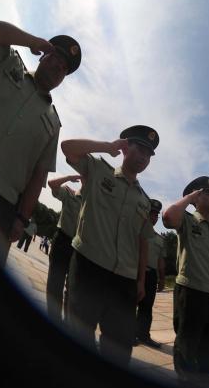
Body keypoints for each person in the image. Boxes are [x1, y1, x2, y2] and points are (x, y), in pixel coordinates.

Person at [0, 18, 81, 262]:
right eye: (55, 57)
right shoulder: (10, 64)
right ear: (42, 55)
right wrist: (31, 41)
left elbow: (38, 175)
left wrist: (22, 218)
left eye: (64, 68)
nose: (58, 67)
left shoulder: (53, 124)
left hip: (0, 205)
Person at [61, 126, 159, 366]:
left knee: (118, 349)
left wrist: (140, 280)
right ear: (126, 148)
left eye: (149, 154)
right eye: (140, 149)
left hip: (124, 282)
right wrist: (107, 146)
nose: (144, 157)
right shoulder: (98, 170)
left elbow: (142, 240)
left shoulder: (144, 201)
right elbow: (67, 148)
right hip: (89, 269)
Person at [162, 177, 209, 387]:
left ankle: (208, 377)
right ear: (195, 197)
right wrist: (190, 197)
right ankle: (186, 380)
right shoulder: (186, 220)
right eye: (208, 194)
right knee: (188, 341)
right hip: (192, 291)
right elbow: (167, 218)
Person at [46, 173, 84, 324]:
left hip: (79, 248)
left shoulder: (94, 203)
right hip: (62, 240)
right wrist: (70, 177)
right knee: (55, 282)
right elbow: (51, 184)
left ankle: (69, 324)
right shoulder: (70, 194)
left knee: (73, 289)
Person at [135, 199, 165, 349]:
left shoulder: (159, 239)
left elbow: (160, 260)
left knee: (146, 308)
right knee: (129, 304)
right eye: (151, 214)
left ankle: (143, 335)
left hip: (151, 275)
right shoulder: (135, 231)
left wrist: (162, 278)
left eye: (156, 215)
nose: (153, 217)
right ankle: (127, 333)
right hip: (134, 271)